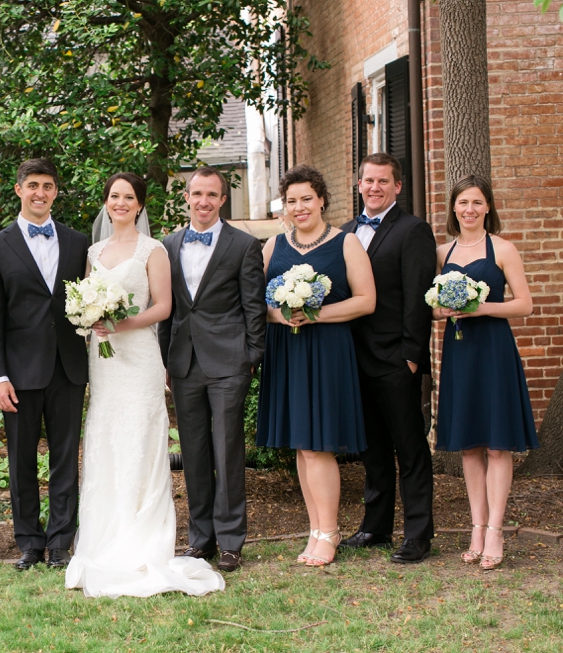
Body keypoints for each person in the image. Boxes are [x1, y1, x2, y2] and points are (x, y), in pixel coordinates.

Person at [65, 172, 224, 597]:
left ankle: (142, 539)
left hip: (139, 361)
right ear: (106, 203)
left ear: (140, 205)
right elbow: (83, 299)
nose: (120, 203)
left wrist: (122, 322)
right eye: (114, 196)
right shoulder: (93, 251)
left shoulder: (152, 250)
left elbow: (164, 306)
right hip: (105, 365)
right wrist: (90, 318)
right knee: (106, 441)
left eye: (129, 197)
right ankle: (104, 536)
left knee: (138, 441)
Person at [256, 165, 376, 566]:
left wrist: (315, 314)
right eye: (292, 201)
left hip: (326, 352)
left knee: (318, 443)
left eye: (307, 198)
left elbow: (365, 300)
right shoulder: (273, 246)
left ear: (322, 199)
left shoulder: (346, 243)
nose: (300, 207)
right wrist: (284, 315)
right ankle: (315, 528)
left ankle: (330, 531)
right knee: (302, 446)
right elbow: (258, 304)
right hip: (287, 352)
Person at [0, 159, 90, 571]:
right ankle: (28, 541)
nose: (39, 192)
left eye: (47, 186)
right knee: (21, 460)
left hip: (68, 366)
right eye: (32, 185)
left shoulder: (78, 243)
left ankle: (61, 540)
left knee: (65, 458)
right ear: (18, 190)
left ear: (55, 192)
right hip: (19, 372)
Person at [158, 166, 267, 572]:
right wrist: (167, 358)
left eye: (212, 195)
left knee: (227, 449)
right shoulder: (167, 246)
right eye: (197, 193)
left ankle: (231, 541)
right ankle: (200, 539)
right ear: (187, 197)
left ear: (223, 200)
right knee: (194, 453)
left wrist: (251, 357)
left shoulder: (242, 245)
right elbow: (168, 311)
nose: (203, 201)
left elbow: (253, 307)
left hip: (228, 362)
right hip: (184, 362)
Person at [433, 176, 538, 570]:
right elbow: (429, 307)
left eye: (477, 202)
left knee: (497, 444)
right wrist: (445, 309)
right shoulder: (442, 253)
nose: (470, 209)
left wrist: (481, 307)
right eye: (463, 202)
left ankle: (495, 528)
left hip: (494, 349)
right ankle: (476, 527)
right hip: (460, 351)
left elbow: (525, 304)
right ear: (454, 208)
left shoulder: (504, 249)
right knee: (469, 444)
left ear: (488, 207)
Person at [340, 152, 436, 564]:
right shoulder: (345, 232)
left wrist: (412, 357)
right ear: (358, 185)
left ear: (398, 186)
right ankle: (375, 527)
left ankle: (417, 534)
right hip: (352, 359)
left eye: (383, 181)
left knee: (410, 449)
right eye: (368, 181)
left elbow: (418, 297)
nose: (375, 187)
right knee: (373, 449)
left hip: (396, 360)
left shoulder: (413, 230)